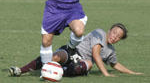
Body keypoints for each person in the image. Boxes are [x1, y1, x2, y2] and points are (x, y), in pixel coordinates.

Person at [9, 23, 143, 77]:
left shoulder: (111, 51)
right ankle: (21, 70)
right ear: (109, 31)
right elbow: (96, 54)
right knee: (55, 57)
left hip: (82, 62)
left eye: (118, 36)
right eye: (114, 32)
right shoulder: (100, 33)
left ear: (119, 40)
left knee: (89, 64)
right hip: (72, 51)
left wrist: (133, 73)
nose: (114, 36)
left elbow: (115, 64)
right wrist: (106, 74)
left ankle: (56, 73)